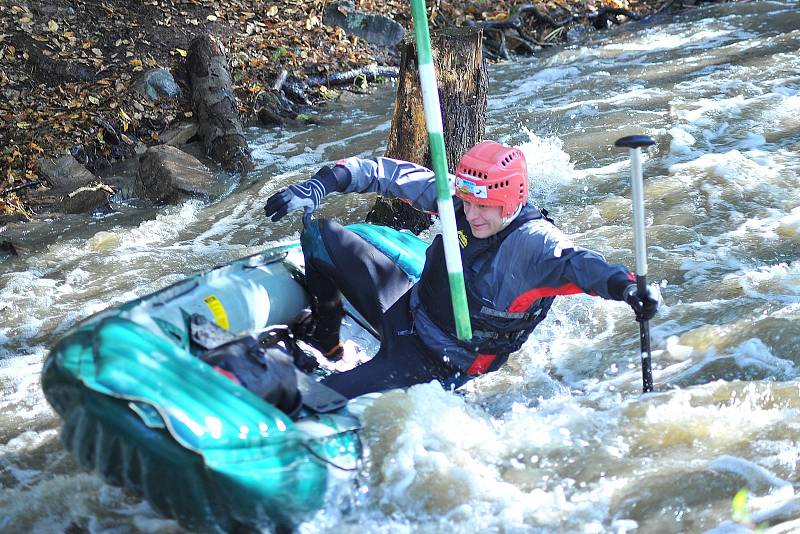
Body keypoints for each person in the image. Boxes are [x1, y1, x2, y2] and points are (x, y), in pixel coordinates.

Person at [264, 141, 660, 399]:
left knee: (321, 398)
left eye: (481, 207)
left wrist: (626, 288)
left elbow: (582, 265)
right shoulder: (463, 200)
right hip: (409, 310)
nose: (470, 215)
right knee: (320, 237)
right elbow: (389, 175)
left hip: (442, 360)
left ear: (509, 201)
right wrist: (319, 185)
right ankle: (326, 336)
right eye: (466, 203)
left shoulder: (534, 244)